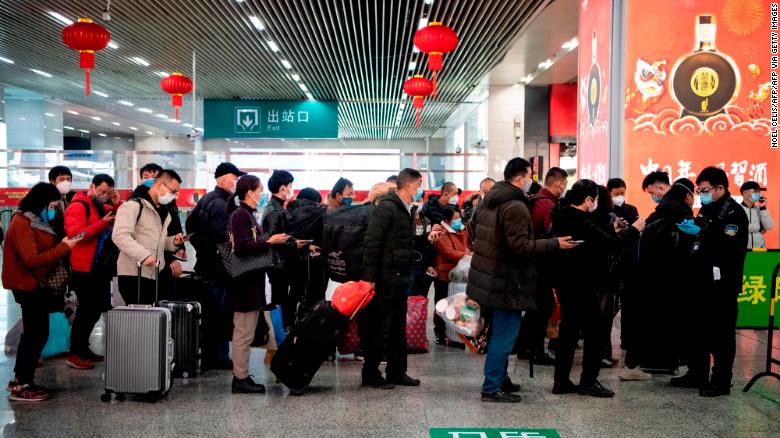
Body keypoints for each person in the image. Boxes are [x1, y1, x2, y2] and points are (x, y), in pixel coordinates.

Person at [468, 158, 576, 403]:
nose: (532, 181)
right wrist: (554, 243)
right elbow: (519, 247)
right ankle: (492, 386)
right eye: (530, 176)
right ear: (520, 178)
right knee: (504, 336)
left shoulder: (488, 201)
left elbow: (475, 233)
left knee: (497, 332)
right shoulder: (515, 206)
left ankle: (501, 379)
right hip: (508, 280)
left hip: (488, 277)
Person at [551, 179, 644, 398]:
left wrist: (610, 228)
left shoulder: (562, 214)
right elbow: (610, 244)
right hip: (581, 281)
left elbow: (593, 235)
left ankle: (561, 380)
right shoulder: (581, 218)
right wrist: (635, 230)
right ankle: (589, 381)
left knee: (569, 330)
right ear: (588, 200)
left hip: (565, 281)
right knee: (595, 330)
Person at [2, 183, 82, 401]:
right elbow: (32, 260)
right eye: (52, 205)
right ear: (41, 203)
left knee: (35, 334)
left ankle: (21, 379)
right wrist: (64, 247)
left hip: (34, 285)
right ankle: (23, 384)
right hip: (28, 285)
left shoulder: (35, 222)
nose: (53, 209)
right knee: (35, 335)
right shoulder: (22, 224)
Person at [680, 167, 748, 397]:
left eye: (705, 190)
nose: (702, 194)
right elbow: (701, 238)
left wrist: (702, 232)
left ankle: (721, 381)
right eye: (699, 190)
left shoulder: (733, 213)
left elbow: (728, 246)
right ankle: (697, 373)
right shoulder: (706, 209)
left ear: (720, 188)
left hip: (723, 283)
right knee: (698, 330)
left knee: (722, 333)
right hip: (702, 280)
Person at [622, 179, 697, 382]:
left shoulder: (659, 212)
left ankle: (638, 363)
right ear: (688, 196)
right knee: (665, 322)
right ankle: (644, 365)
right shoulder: (682, 214)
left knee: (645, 320)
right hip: (669, 280)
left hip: (646, 278)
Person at [225, 175, 291, 394]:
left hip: (251, 282)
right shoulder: (240, 215)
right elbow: (242, 247)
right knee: (243, 332)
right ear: (250, 191)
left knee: (247, 330)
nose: (262, 193)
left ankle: (241, 375)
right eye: (260, 189)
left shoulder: (248, 214)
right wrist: (270, 241)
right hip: (243, 283)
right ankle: (240, 378)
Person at [361, 168, 424, 389]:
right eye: (418, 184)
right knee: (380, 328)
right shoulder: (387, 207)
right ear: (408, 185)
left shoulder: (407, 209)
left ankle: (397, 371)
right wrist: (369, 279)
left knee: (397, 327)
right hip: (385, 278)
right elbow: (372, 243)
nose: (420, 189)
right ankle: (370, 374)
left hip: (401, 276)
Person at [188, 162, 246, 370]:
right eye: (234, 177)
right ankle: (218, 357)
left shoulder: (206, 199)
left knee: (210, 313)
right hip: (219, 269)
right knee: (220, 313)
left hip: (207, 266)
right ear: (222, 179)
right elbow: (224, 238)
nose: (236, 182)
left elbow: (191, 226)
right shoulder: (223, 204)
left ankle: (211, 355)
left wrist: (202, 249)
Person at [63, 174, 121, 370]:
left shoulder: (101, 206)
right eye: (102, 191)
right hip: (83, 268)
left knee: (97, 308)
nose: (104, 195)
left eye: (108, 192)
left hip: (99, 267)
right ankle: (75, 352)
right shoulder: (79, 206)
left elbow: (120, 220)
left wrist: (117, 202)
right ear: (92, 187)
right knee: (87, 310)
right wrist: (102, 223)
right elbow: (75, 235)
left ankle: (83, 348)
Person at [516, 167, 568, 365]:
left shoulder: (536, 200)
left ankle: (523, 346)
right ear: (558, 184)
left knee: (535, 307)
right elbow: (552, 236)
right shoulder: (547, 205)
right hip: (540, 264)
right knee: (543, 306)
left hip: (531, 261)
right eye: (564, 184)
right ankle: (536, 350)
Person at [112, 170, 185, 305]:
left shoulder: (164, 212)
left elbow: (157, 243)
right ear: (158, 185)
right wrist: (143, 256)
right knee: (139, 321)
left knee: (153, 321)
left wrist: (173, 242)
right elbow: (119, 235)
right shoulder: (133, 206)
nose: (174, 196)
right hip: (133, 274)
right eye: (172, 191)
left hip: (155, 274)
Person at [263, 170, 309, 331]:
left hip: (280, 263)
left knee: (282, 300)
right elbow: (274, 238)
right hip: (278, 264)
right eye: (290, 186)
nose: (291, 190)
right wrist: (294, 244)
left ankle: (282, 331)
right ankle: (280, 334)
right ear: (283, 188)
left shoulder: (275, 207)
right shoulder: (274, 210)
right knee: (280, 301)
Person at [132, 163, 186, 299]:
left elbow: (173, 227)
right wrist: (169, 260)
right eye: (146, 176)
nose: (150, 179)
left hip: (160, 264)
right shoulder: (136, 202)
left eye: (154, 176)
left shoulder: (166, 202)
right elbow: (143, 237)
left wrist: (178, 244)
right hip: (143, 266)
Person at [431, 206, 471, 347]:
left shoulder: (462, 229)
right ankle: (440, 333)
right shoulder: (441, 233)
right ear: (446, 220)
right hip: (444, 273)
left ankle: (456, 335)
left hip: (460, 274)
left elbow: (467, 246)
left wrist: (467, 253)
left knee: (457, 305)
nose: (457, 220)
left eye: (458, 217)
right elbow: (449, 252)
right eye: (454, 218)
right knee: (442, 304)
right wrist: (466, 254)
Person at [287, 187, 328, 315]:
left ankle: (290, 323)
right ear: (315, 200)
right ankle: (311, 321)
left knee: (294, 291)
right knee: (316, 292)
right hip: (316, 258)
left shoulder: (289, 210)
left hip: (294, 258)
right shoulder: (320, 212)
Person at [739, 181, 773, 249]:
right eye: (755, 191)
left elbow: (769, 226)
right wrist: (758, 227)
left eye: (759, 192)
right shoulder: (737, 210)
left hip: (759, 249)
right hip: (742, 250)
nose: (758, 194)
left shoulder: (760, 209)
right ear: (744, 193)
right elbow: (738, 228)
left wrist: (763, 207)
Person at [48, 166, 73, 238]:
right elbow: (49, 222)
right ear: (52, 182)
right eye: (61, 179)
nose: (66, 182)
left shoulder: (69, 200)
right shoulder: (46, 200)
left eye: (68, 179)